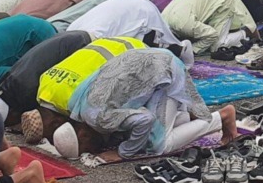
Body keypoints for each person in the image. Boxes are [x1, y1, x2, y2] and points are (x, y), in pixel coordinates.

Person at [66, 48, 237, 164]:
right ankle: (181, 119)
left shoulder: (98, 119)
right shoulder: (74, 104)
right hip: (153, 61)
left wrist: (122, 153)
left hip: (164, 72)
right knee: (143, 131)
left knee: (157, 146)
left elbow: (145, 119)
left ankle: (221, 118)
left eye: (87, 148)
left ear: (83, 136)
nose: (93, 150)